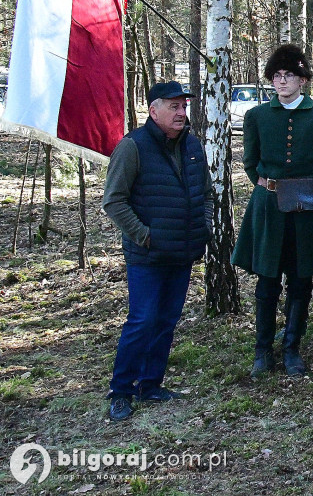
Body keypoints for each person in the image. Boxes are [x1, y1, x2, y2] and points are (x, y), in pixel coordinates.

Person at [232, 44, 313, 378]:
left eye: (289, 75)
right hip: (268, 206)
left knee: (300, 279)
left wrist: (309, 191)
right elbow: (250, 162)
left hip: (307, 207)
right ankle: (262, 351)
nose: (282, 81)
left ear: (303, 80)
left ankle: (292, 348)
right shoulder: (256, 116)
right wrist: (271, 187)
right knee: (267, 280)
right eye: (277, 76)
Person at [102, 81, 212, 421]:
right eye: (174, 106)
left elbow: (205, 193)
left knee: (166, 320)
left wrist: (204, 226)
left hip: (182, 251)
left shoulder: (192, 145)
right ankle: (121, 391)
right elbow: (114, 201)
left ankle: (150, 385)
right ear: (154, 111)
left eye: (184, 106)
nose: (181, 113)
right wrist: (144, 236)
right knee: (142, 320)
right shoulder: (132, 147)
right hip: (147, 256)